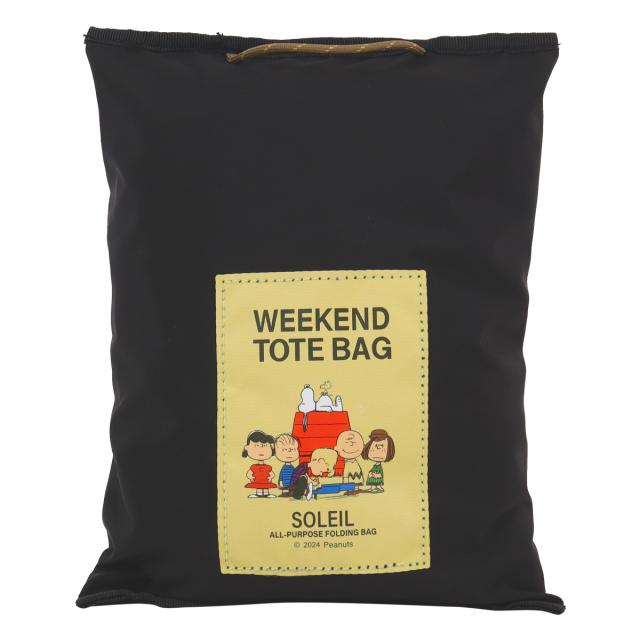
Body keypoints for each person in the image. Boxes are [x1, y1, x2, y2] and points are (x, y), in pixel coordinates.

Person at [242, 430, 277, 498]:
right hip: (257, 480)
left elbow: (272, 473)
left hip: (266, 481)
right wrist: (251, 477)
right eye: (256, 446)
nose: (261, 451)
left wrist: (270, 477)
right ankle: (259, 494)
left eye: (265, 446)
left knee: (266, 487)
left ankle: (266, 494)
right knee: (259, 487)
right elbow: (249, 473)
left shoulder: (268, 467)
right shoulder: (253, 467)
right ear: (247, 448)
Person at [362, 429, 396, 493]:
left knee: (376, 481)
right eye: (372, 450)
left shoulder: (379, 467)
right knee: (372, 481)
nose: (377, 454)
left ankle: (378, 487)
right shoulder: (375, 465)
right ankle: (372, 487)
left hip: (377, 479)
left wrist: (375, 475)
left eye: (383, 451)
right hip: (373, 477)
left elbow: (380, 475)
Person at [334, 430, 364, 495]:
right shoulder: (346, 464)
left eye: (354, 443)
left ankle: (356, 489)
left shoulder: (355, 462)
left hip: (355, 467)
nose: (350, 444)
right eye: (347, 443)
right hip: (349, 467)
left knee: (356, 476)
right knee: (347, 476)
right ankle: (349, 489)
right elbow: (346, 475)